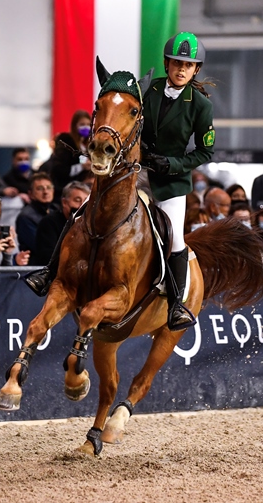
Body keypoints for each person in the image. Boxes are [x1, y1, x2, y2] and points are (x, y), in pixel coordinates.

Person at [28, 32, 215, 331]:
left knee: (175, 239)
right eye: (177, 63)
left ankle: (176, 305)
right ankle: (49, 273)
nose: (181, 69)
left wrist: (173, 164)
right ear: (167, 64)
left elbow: (206, 151)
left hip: (170, 181)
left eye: (188, 65)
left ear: (196, 70)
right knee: (82, 212)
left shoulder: (200, 105)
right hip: (134, 170)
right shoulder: (147, 90)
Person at [31, 182, 90, 266]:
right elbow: (48, 257)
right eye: (77, 200)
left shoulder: (91, 225)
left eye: (85, 202)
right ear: (64, 202)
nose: (82, 206)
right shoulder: (49, 223)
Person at [46, 110, 92, 201]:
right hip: (64, 191)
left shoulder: (88, 145)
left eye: (88, 124)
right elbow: (59, 169)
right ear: (74, 126)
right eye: (82, 124)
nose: (86, 127)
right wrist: (82, 167)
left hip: (83, 191)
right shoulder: (66, 141)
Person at [16, 172, 59, 252]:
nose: (46, 192)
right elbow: (40, 246)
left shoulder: (56, 209)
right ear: (30, 194)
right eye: (40, 188)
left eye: (49, 187)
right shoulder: (26, 217)